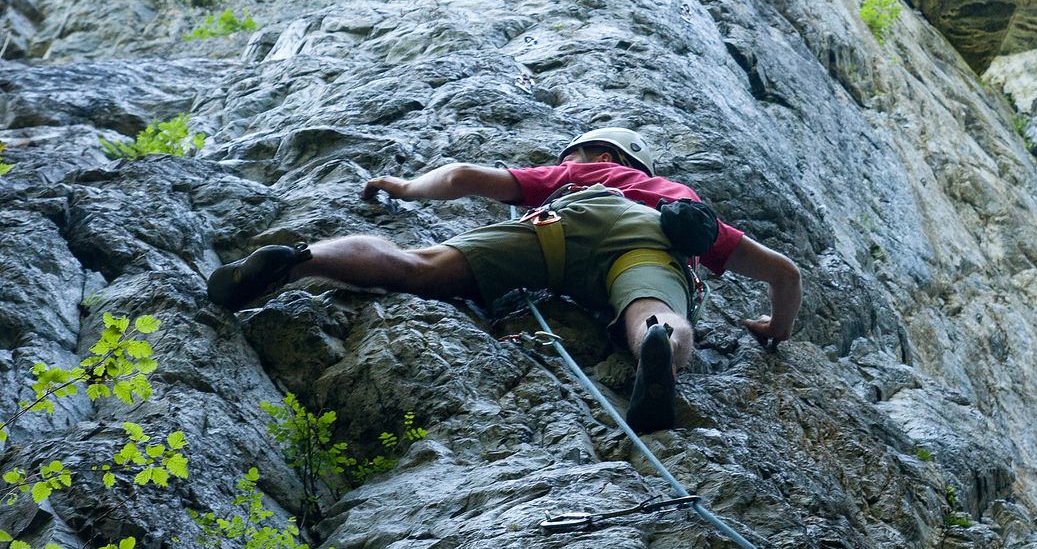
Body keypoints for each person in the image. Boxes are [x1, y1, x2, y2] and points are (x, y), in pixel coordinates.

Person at [206, 127, 802, 433]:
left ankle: (298, 260)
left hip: (559, 226)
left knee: (421, 266)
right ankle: (657, 350)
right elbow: (784, 272)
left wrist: (404, 187)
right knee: (653, 310)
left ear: (596, 158)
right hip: (647, 239)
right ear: (637, 164)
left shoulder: (572, 175)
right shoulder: (676, 199)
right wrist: (774, 326)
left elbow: (464, 174)